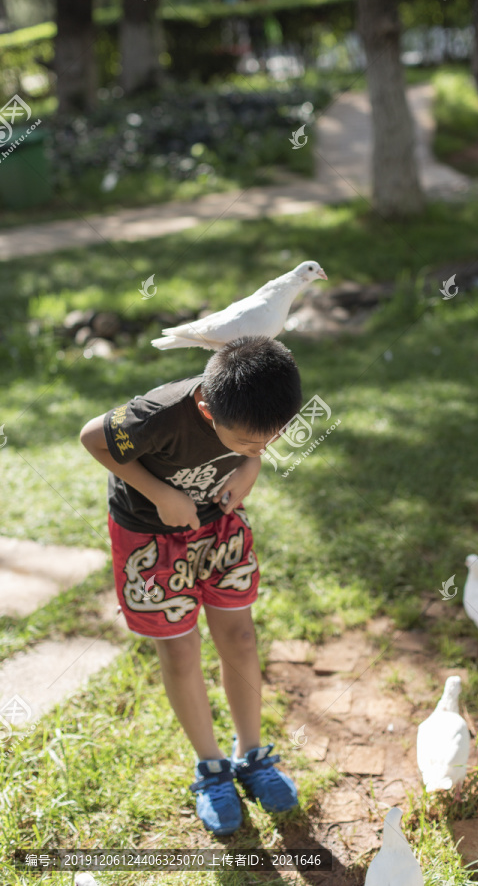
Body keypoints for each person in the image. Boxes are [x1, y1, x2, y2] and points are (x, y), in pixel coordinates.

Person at [80, 335, 301, 836]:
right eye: (247, 441)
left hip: (219, 525)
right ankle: (212, 767)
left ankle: (252, 755)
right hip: (150, 533)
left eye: (270, 439)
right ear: (205, 407)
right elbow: (92, 436)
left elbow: (255, 446)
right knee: (181, 654)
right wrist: (160, 494)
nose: (260, 446)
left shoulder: (258, 406)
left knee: (240, 639)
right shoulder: (158, 413)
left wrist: (250, 464)